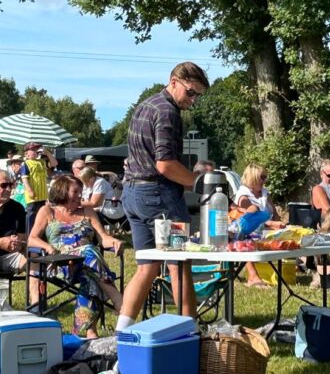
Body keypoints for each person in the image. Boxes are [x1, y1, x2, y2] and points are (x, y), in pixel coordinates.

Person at [118, 61, 208, 330]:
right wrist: (199, 183)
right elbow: (165, 164)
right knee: (179, 266)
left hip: (133, 194)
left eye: (198, 96)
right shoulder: (168, 111)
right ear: (174, 82)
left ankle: (122, 331)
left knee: (147, 267)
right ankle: (189, 333)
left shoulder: (146, 105)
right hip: (158, 197)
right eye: (191, 93)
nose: (193, 100)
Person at [28, 175, 124, 337]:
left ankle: (89, 332)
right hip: (60, 264)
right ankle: (118, 301)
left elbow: (102, 238)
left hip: (87, 265)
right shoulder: (47, 211)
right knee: (89, 251)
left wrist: (114, 241)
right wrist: (47, 247)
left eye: (81, 192)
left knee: (89, 272)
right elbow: (32, 239)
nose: (80, 196)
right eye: (76, 191)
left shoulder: (87, 211)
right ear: (62, 191)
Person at [234, 163, 284, 289]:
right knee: (246, 239)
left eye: (265, 177)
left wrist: (282, 225)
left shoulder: (265, 193)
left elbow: (275, 214)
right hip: (249, 231)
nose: (264, 180)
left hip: (267, 231)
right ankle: (252, 276)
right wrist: (272, 224)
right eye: (262, 177)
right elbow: (249, 220)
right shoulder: (243, 196)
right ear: (253, 177)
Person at [19, 141, 58, 233]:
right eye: (32, 149)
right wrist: (30, 190)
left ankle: (41, 234)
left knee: (42, 216)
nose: (36, 151)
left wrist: (48, 153)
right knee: (32, 215)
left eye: (36, 149)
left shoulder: (42, 162)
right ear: (26, 153)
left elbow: (54, 163)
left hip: (43, 195)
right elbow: (24, 179)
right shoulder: (26, 164)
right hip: (33, 197)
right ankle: (29, 235)